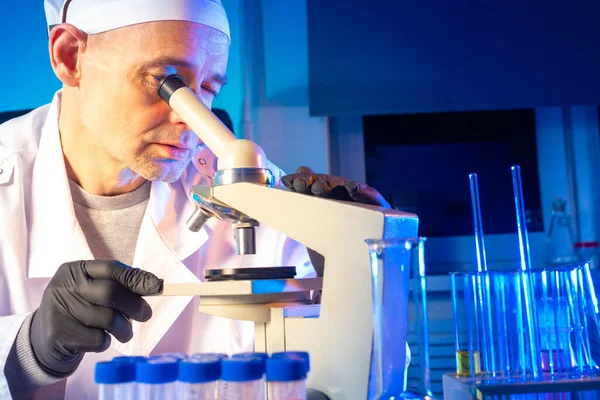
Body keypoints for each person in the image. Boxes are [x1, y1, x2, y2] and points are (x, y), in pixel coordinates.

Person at [0, 0, 394, 399]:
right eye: (165, 81)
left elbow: (365, 381)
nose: (191, 118)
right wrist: (25, 351)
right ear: (69, 56)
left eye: (207, 88)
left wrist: (361, 282)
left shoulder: (251, 193)